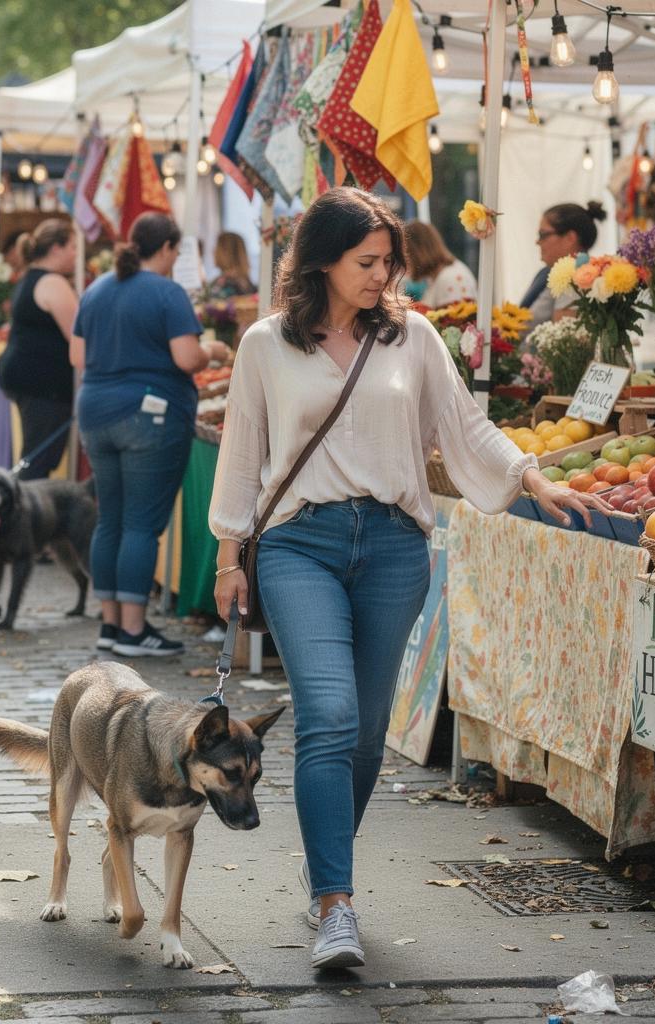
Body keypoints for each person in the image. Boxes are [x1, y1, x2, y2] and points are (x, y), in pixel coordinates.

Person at [208, 187, 606, 970]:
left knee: (362, 732)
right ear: (320, 261)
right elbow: (242, 451)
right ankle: (336, 905)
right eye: (367, 262)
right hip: (300, 546)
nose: (383, 276)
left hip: (393, 548)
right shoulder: (264, 344)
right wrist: (229, 554)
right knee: (326, 712)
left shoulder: (415, 336)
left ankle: (325, 867)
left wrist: (533, 478)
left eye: (389, 261)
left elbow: (464, 427)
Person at [70, 212, 231, 657]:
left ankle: (110, 625)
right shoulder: (167, 293)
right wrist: (212, 350)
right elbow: (186, 358)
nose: (175, 258)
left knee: (111, 518)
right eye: (175, 251)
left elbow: (76, 354)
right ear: (164, 249)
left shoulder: (97, 288)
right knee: (141, 524)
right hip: (150, 414)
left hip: (96, 408)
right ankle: (135, 631)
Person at [0, 219, 78, 480]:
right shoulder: (53, 282)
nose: (77, 255)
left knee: (35, 455)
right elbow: (78, 336)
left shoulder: (30, 277)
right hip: (44, 384)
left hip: (27, 377)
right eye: (73, 248)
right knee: (38, 459)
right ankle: (24, 517)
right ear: (56, 249)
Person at [525, 200, 607, 329]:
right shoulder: (548, 273)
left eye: (543, 234)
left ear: (570, 238)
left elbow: (563, 339)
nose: (537, 242)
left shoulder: (581, 278)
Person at [402, 220, 477, 307]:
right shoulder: (437, 277)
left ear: (417, 253)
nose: (401, 263)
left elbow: (459, 318)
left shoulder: (451, 278)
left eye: (405, 255)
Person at [208, 231, 256, 298]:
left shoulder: (222, 284)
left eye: (216, 246)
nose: (213, 251)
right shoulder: (247, 282)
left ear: (225, 252)